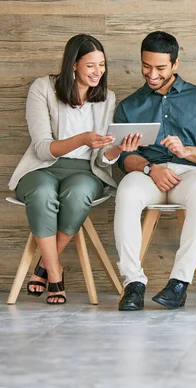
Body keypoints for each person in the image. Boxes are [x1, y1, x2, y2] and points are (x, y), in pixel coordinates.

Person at [9, 34, 139, 304]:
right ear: (73, 65)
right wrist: (81, 139)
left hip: (85, 171)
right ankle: (55, 271)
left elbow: (102, 158)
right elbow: (43, 148)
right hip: (43, 167)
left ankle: (44, 266)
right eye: (91, 65)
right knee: (42, 193)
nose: (98, 72)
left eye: (102, 65)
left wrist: (117, 149)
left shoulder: (107, 98)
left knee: (79, 193)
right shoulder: (43, 88)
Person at [114, 31, 196, 311]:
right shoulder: (129, 106)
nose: (152, 74)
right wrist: (150, 169)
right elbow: (125, 159)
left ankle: (179, 283)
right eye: (146, 66)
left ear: (175, 64)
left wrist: (186, 151)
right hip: (147, 174)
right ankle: (133, 284)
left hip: (188, 174)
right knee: (126, 191)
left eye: (160, 68)